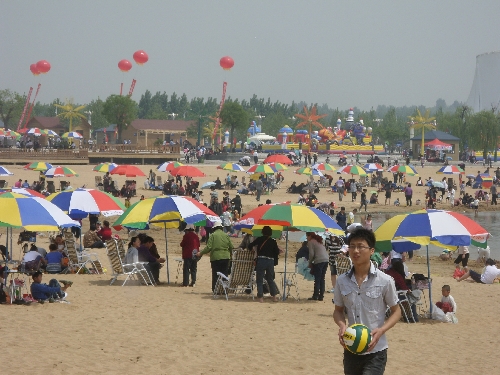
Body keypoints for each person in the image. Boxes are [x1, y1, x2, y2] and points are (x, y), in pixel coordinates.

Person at [333, 228, 400, 374]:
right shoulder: (342, 281)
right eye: (352, 246)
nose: (355, 251)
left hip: (376, 350)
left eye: (360, 246)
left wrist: (382, 330)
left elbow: (397, 311)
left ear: (371, 250)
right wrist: (342, 325)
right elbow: (338, 311)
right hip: (351, 347)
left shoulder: (385, 281)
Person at [247, 226, 280, 303]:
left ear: (262, 232)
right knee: (270, 279)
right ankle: (274, 297)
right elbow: (276, 253)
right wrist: (275, 262)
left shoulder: (260, 239)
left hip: (261, 260)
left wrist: (252, 250)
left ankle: (260, 297)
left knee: (259, 279)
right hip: (270, 261)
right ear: (270, 233)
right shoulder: (273, 241)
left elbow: (250, 245)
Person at [197, 222, 233, 292]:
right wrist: (230, 254)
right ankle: (224, 290)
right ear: (221, 228)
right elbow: (231, 247)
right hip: (226, 257)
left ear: (214, 228)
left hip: (216, 257)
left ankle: (216, 290)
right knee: (225, 274)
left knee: (216, 274)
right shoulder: (226, 235)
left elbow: (208, 247)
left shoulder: (213, 235)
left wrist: (201, 253)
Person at [306, 232, 329, 301]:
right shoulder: (319, 241)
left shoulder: (311, 242)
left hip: (319, 261)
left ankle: (315, 295)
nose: (306, 238)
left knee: (317, 279)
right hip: (326, 260)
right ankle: (321, 296)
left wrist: (310, 262)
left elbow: (311, 254)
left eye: (307, 236)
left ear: (310, 236)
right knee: (322, 278)